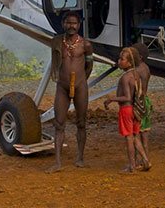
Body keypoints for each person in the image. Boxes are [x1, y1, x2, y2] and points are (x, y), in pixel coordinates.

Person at [47, 11, 94, 173]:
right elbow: (56, 62)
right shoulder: (57, 42)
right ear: (63, 24)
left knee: (81, 123)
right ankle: (58, 162)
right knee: (59, 124)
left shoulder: (86, 45)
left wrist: (81, 81)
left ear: (79, 25)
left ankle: (80, 158)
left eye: (74, 23)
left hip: (80, 86)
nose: (71, 26)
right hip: (62, 87)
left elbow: (89, 66)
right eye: (68, 23)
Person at [104, 47, 151, 173]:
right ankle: (146, 160)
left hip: (126, 109)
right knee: (135, 136)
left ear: (129, 63)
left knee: (129, 138)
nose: (119, 61)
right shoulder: (136, 74)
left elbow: (127, 97)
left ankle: (132, 166)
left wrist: (112, 99)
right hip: (136, 109)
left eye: (122, 59)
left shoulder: (125, 78)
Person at [132, 42, 152, 162]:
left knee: (135, 134)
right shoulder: (146, 68)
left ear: (139, 57)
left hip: (138, 103)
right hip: (146, 102)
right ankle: (146, 158)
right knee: (145, 135)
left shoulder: (137, 70)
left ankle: (138, 160)